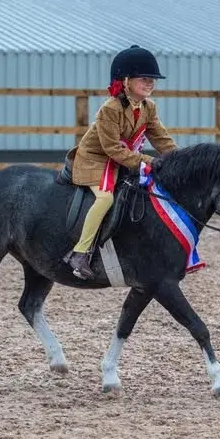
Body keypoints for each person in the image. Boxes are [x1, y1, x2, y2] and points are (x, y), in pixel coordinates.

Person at [65, 45, 178, 279]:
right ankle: (80, 252)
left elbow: (161, 139)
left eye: (152, 80)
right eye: (144, 79)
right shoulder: (110, 109)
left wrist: (179, 160)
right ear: (125, 81)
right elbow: (112, 149)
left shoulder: (148, 107)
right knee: (105, 198)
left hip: (122, 160)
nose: (150, 83)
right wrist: (151, 162)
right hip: (96, 160)